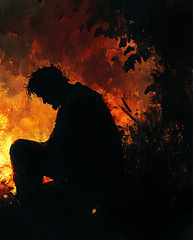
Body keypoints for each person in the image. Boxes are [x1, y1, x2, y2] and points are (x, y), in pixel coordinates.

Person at [10, 65, 124, 213]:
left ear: (51, 87)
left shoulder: (74, 105)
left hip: (93, 172)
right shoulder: (82, 94)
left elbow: (56, 149)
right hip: (101, 166)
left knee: (20, 148)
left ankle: (28, 206)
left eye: (43, 95)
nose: (45, 101)